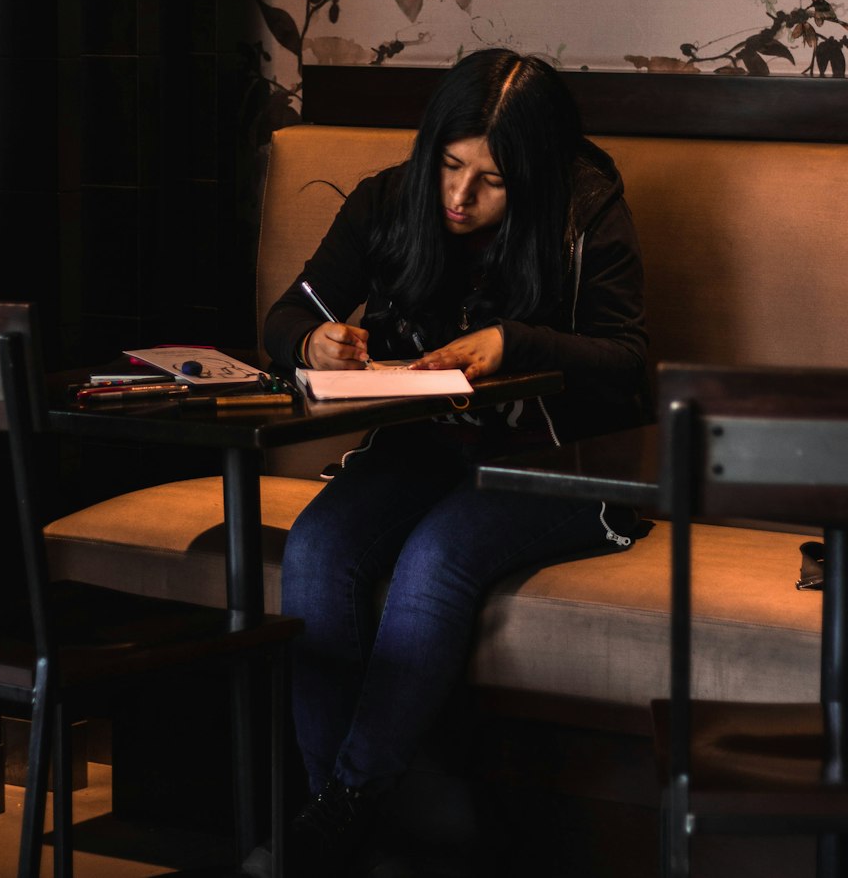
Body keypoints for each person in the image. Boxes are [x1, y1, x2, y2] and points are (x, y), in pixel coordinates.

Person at [253, 49, 648, 877]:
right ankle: (349, 829)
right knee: (320, 548)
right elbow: (287, 315)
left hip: (565, 467)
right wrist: (310, 340)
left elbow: (627, 362)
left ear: (535, 177)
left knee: (437, 555)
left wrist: (517, 342)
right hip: (423, 455)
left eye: (493, 181)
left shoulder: (587, 211)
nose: (460, 197)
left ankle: (336, 818)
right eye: (451, 164)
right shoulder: (390, 200)